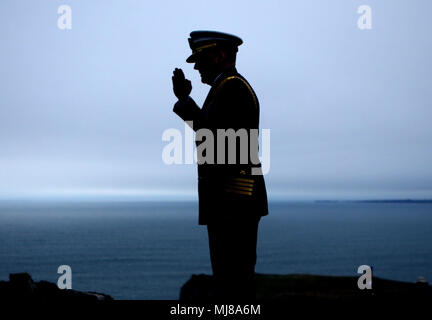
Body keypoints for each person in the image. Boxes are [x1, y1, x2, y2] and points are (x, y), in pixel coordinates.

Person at [171, 30, 268, 300]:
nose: (197, 66)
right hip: (232, 199)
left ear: (221, 55)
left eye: (201, 58)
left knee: (233, 279)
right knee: (231, 278)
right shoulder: (226, 87)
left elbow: (213, 138)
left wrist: (184, 101)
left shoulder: (232, 87)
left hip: (233, 200)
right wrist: (185, 101)